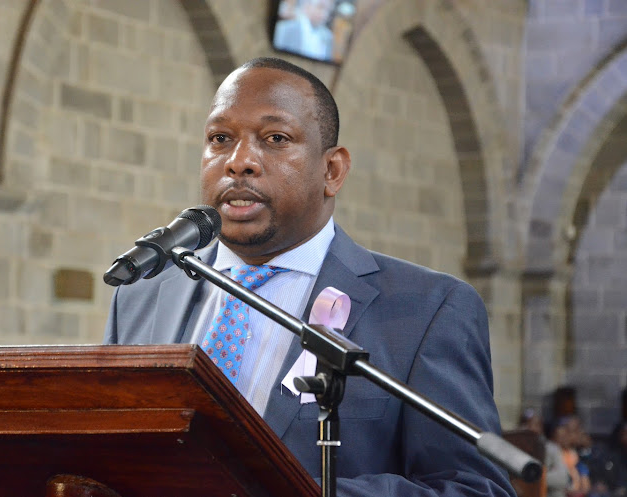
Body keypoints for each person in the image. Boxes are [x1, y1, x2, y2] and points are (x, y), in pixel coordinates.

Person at [104, 56, 515, 496]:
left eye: (275, 138)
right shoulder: (141, 295)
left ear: (332, 170)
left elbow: (474, 489)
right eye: (220, 139)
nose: (239, 161)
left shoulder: (428, 310)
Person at [519, 408, 570, 497]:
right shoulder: (514, 448)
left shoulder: (552, 449)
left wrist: (534, 476)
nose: (529, 428)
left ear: (540, 428)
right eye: (525, 424)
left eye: (534, 425)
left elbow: (562, 478)